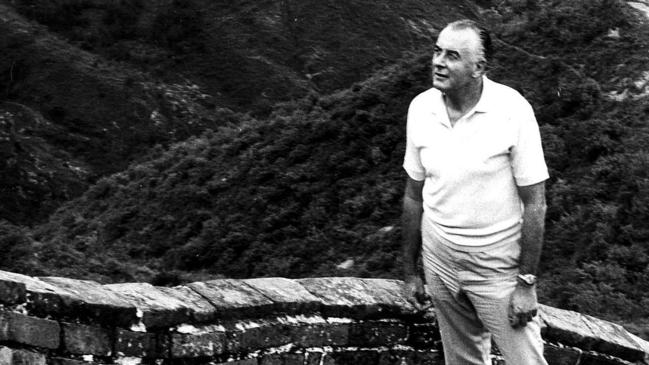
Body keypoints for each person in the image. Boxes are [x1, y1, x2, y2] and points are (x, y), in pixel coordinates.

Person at [402, 19, 549, 364]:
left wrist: (526, 284)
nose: (438, 61)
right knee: (462, 360)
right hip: (439, 261)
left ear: (478, 68)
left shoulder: (513, 111)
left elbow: (536, 204)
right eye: (437, 51)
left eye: (452, 56)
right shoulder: (421, 108)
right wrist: (410, 272)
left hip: (495, 270)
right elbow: (413, 194)